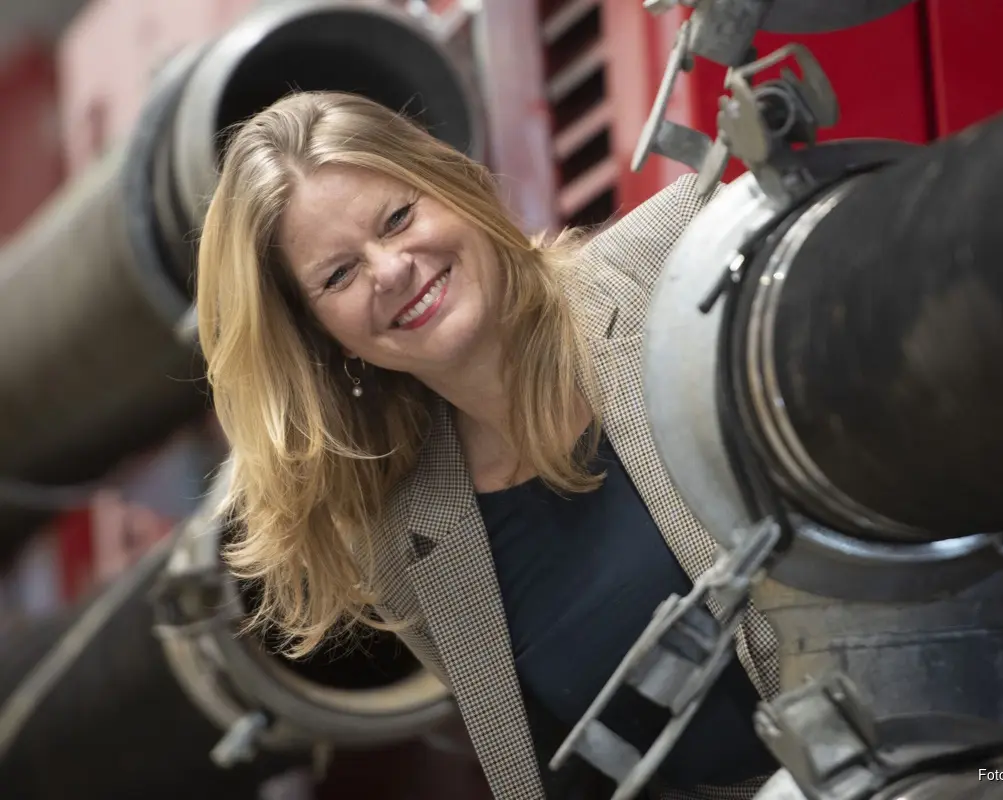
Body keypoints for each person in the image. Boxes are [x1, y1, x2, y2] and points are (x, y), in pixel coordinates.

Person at [195, 91, 782, 800]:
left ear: (453, 184)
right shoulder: (404, 546)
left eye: (398, 218)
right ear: (324, 338)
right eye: (339, 274)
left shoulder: (684, 255)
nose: (391, 270)